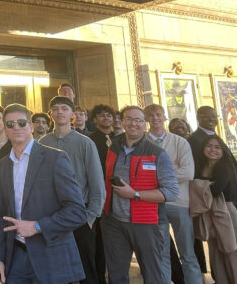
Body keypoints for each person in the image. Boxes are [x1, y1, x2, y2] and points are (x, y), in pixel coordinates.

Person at [0, 103, 88, 284]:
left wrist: (37, 226)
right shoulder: (3, 165)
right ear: (5, 129)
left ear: (31, 126)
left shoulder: (55, 159)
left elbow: (77, 212)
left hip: (51, 255)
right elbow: (1, 217)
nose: (16, 127)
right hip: (16, 258)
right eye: (10, 124)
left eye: (21, 122)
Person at [102, 105, 179, 284]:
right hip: (114, 223)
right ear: (122, 122)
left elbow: (171, 191)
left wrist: (135, 194)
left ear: (145, 125)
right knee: (116, 276)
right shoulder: (113, 148)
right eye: (128, 119)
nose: (133, 124)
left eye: (138, 120)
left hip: (147, 224)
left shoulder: (156, 153)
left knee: (154, 276)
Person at [40, 96, 105, 284]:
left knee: (86, 271)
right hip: (51, 215)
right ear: (50, 113)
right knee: (57, 270)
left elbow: (97, 184)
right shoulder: (41, 142)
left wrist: (90, 217)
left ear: (72, 114)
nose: (60, 112)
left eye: (64, 108)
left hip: (80, 214)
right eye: (56, 108)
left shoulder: (85, 143)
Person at [145, 105, 201, 284]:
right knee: (162, 254)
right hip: (154, 204)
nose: (155, 118)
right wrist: (171, 170)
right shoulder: (141, 143)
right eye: (151, 115)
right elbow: (139, 174)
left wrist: (156, 175)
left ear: (164, 117)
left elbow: (188, 173)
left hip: (180, 203)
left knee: (188, 254)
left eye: (158, 114)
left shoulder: (180, 142)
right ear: (146, 119)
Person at [190, 135, 237, 284]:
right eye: (209, 146)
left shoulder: (225, 168)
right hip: (209, 215)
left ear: (223, 150)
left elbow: (216, 190)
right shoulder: (200, 166)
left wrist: (196, 186)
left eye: (217, 147)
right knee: (217, 255)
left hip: (228, 215)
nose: (213, 150)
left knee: (234, 255)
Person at [87, 104, 117, 284]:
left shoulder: (121, 138)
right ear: (94, 119)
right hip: (99, 193)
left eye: (109, 115)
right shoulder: (89, 140)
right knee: (99, 240)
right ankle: (99, 277)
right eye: (102, 115)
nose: (106, 118)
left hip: (120, 193)